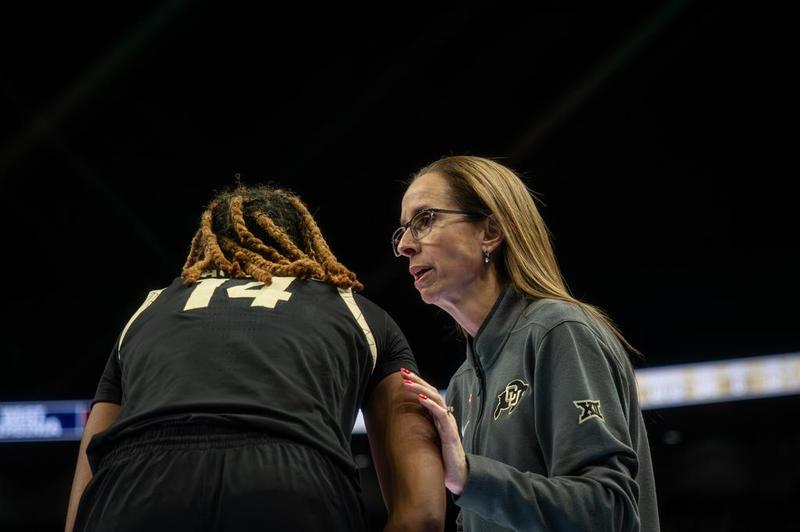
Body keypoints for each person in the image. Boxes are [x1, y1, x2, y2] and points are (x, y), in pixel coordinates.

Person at [65, 183, 446, 532]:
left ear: (207, 246)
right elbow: (423, 513)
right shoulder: (358, 311)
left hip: (133, 487)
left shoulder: (148, 310)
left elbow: (85, 486)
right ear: (305, 245)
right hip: (291, 482)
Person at [393, 156, 660, 531]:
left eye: (424, 220)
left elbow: (605, 511)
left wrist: (469, 475)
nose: (405, 245)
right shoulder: (462, 384)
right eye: (403, 231)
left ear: (490, 232)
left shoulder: (559, 331)